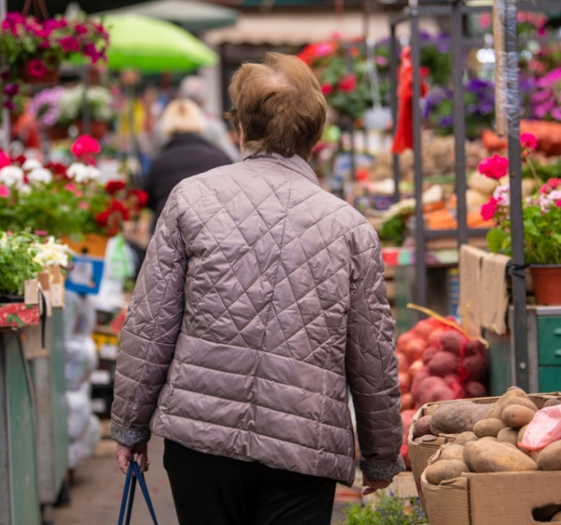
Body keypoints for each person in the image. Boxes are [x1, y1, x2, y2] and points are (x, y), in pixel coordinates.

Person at [111, 53, 403, 525]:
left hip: (201, 439)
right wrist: (382, 453)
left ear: (242, 130)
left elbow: (150, 324)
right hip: (303, 444)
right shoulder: (351, 228)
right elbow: (372, 354)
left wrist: (130, 426)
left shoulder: (191, 198)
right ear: (317, 135)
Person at [145, 99, 231, 231]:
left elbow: (150, 201)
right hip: (214, 235)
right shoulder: (220, 158)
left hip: (169, 236)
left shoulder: (160, 163)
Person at [153, 75, 241, 162]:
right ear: (203, 101)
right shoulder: (213, 126)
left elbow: (154, 156)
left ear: (179, 96)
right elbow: (232, 157)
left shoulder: (162, 126)